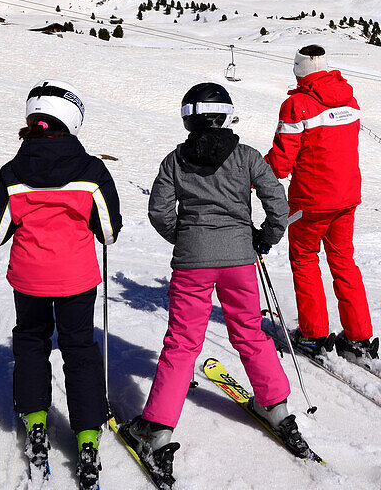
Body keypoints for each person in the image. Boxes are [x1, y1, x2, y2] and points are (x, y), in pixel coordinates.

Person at [122, 83, 306, 484]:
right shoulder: (247, 157)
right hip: (240, 260)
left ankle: (157, 430)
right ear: (226, 114)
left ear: (187, 117)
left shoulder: (175, 160)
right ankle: (276, 406)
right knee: (250, 333)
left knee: (183, 342)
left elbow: (158, 211)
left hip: (192, 263)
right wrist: (263, 238)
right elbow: (279, 205)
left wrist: (185, 237)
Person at [0, 80, 120, 489]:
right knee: (79, 346)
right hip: (77, 277)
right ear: (72, 120)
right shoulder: (91, 170)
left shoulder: (13, 172)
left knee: (31, 342)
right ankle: (86, 436)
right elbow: (108, 231)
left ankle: (34, 424)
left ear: (34, 118)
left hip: (29, 277)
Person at [265, 45, 377, 361]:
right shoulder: (349, 100)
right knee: (343, 262)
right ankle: (358, 337)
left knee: (304, 258)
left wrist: (248, 174)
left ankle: (314, 334)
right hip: (346, 198)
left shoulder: (296, 106)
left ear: (299, 70)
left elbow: (280, 164)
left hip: (310, 203)